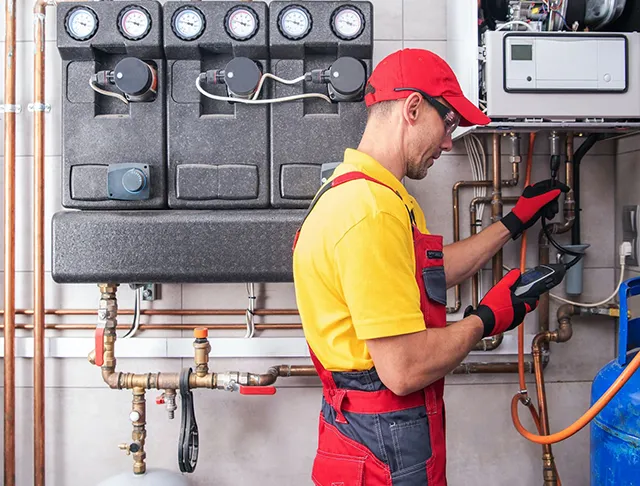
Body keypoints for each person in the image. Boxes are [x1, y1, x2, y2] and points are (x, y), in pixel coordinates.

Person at [292, 49, 568, 486]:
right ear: (413, 108)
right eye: (449, 124)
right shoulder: (370, 212)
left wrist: (513, 223)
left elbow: (426, 274)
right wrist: (484, 320)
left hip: (366, 433)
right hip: (381, 438)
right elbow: (403, 370)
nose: (447, 143)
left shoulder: (369, 194)